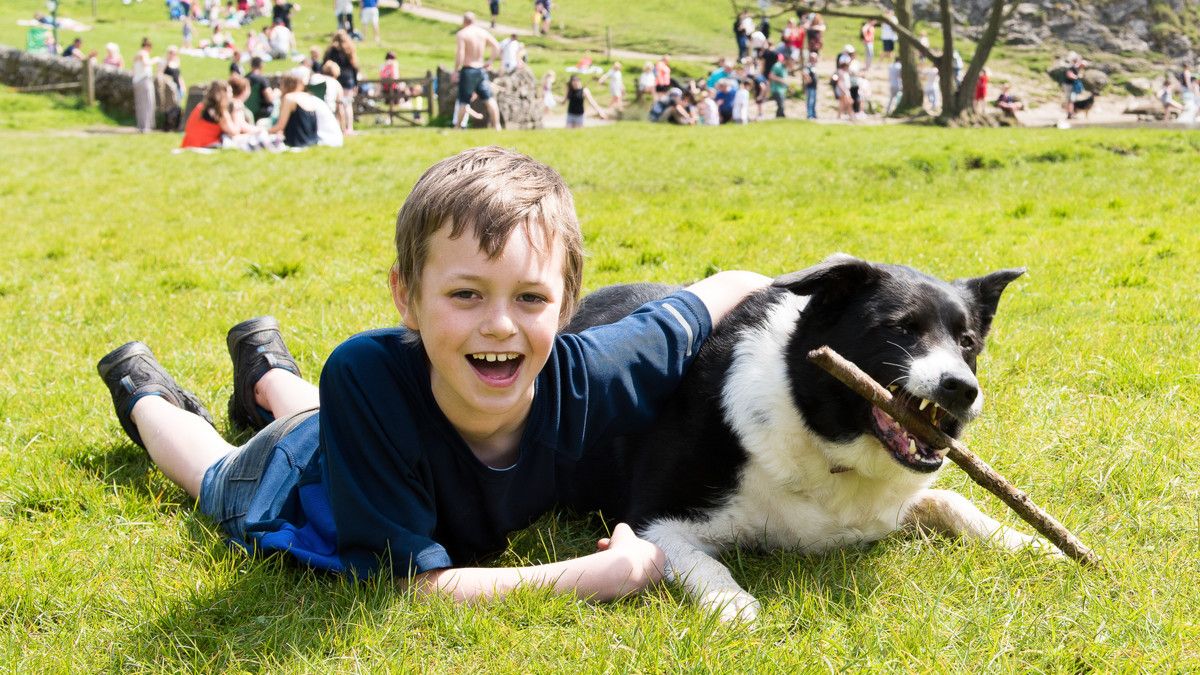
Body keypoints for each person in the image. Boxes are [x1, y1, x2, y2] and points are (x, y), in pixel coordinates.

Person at [93, 146, 769, 601]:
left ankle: (264, 367)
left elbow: (709, 297)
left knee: (311, 416)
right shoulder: (366, 373)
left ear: (568, 304)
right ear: (405, 296)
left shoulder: (593, 369)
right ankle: (142, 388)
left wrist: (812, 285)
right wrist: (601, 572)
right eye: (466, 294)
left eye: (530, 298)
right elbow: (415, 586)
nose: (500, 324)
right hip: (299, 478)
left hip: (345, 426)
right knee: (217, 474)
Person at [453, 12, 501, 130]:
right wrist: (490, 61)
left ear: (464, 21)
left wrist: (456, 70)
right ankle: (497, 125)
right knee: (489, 99)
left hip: (468, 69)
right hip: (481, 69)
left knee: (464, 100)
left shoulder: (462, 34)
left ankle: (457, 127)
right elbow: (496, 46)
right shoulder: (482, 32)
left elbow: (460, 53)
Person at [269, 70, 342, 146]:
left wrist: (263, 131)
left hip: (323, 139)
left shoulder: (290, 98)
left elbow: (280, 126)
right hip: (332, 138)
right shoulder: (307, 96)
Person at [322, 30, 359, 134]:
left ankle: (340, 128)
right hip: (348, 79)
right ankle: (349, 128)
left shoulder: (331, 50)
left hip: (335, 78)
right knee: (347, 104)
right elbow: (354, 67)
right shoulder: (349, 49)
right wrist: (355, 83)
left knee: (339, 104)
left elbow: (325, 64)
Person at [132, 38, 158, 133]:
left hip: (137, 81)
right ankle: (146, 127)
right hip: (144, 81)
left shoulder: (137, 54)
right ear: (148, 46)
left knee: (140, 104)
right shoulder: (143, 53)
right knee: (147, 103)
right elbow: (146, 63)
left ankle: (141, 125)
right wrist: (155, 60)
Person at [768, 53, 788, 118]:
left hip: (782, 90)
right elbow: (771, 76)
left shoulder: (785, 68)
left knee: (781, 106)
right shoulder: (777, 66)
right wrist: (781, 80)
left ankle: (779, 118)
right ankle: (780, 117)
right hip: (776, 89)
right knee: (781, 106)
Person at [802, 50, 818, 119]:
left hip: (814, 87)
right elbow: (804, 73)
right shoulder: (808, 66)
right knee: (810, 101)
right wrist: (808, 79)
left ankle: (814, 114)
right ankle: (810, 114)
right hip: (810, 87)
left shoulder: (814, 66)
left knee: (814, 101)